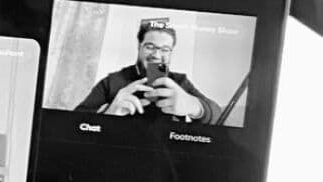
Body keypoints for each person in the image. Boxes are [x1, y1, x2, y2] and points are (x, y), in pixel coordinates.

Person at [74, 19, 219, 123]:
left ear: (171, 53)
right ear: (139, 46)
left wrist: (194, 106)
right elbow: (76, 121)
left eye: (165, 49)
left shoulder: (180, 81)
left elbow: (218, 115)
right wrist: (109, 113)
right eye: (150, 47)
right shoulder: (112, 81)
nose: (156, 55)